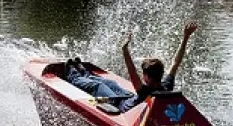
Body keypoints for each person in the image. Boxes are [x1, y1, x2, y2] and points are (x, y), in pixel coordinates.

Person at [66, 21, 198, 113]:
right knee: (110, 83)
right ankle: (84, 72)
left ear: (147, 77)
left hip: (120, 105)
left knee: (98, 86)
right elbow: (176, 62)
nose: (141, 77)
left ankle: (73, 74)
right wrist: (185, 37)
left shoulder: (145, 92)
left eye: (143, 75)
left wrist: (125, 50)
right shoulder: (167, 86)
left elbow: (131, 70)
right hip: (129, 98)